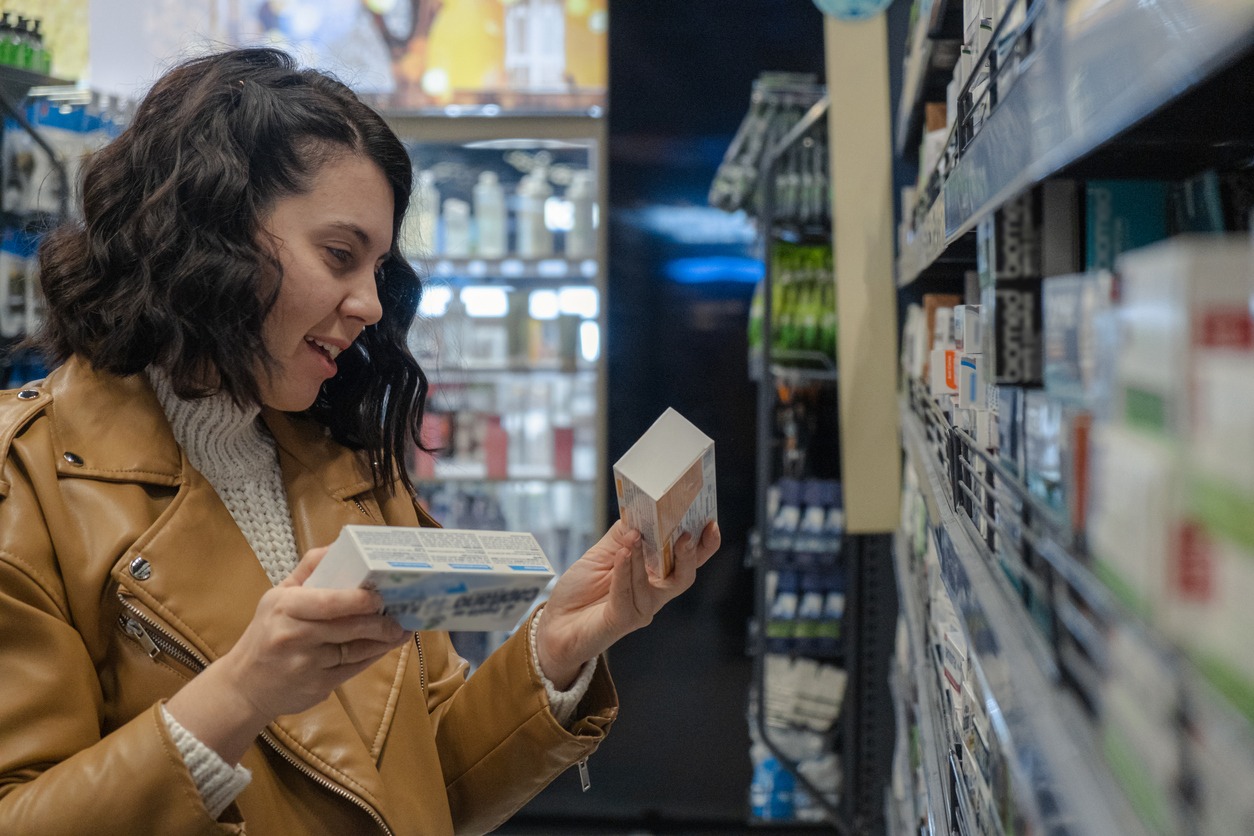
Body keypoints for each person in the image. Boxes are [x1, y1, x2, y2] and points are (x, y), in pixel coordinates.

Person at [0, 47, 720, 835]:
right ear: (208, 234)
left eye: (379, 268)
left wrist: (562, 641)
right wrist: (239, 695)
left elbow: (419, 778)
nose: (371, 305)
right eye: (340, 256)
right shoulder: (30, 485)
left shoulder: (344, 467)